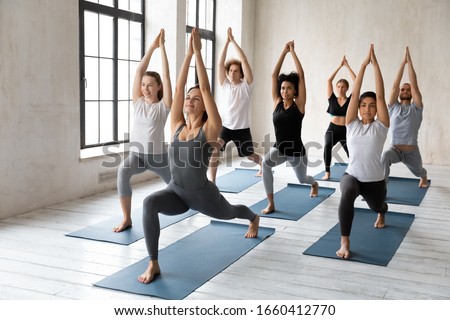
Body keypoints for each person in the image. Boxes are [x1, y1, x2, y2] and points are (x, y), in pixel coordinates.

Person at [138, 28, 260, 284]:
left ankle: (253, 218)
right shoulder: (177, 125)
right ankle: (154, 263)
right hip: (176, 193)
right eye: (188, 99)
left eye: (196, 99)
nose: (190, 100)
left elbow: (204, 87)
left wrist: (198, 55)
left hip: (203, 196)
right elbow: (181, 87)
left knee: (231, 212)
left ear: (205, 105)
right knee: (149, 203)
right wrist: (187, 54)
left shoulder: (210, 128)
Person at [113, 29, 172, 233]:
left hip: (159, 158)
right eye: (144, 85)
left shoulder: (163, 107)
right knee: (122, 171)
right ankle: (127, 218)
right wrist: (152, 48)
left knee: (178, 186)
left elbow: (166, 74)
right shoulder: (137, 103)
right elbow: (139, 72)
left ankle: (190, 202)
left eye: (150, 85)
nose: (145, 88)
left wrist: (163, 49)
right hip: (137, 155)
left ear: (158, 87)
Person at [336, 44, 390, 260]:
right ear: (358, 108)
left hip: (375, 180)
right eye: (363, 105)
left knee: (379, 205)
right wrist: (361, 66)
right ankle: (345, 241)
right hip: (353, 175)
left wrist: (375, 66)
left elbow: (382, 96)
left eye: (372, 105)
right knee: (347, 191)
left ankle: (382, 213)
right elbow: (355, 92)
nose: (367, 108)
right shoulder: (352, 123)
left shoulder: (381, 126)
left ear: (377, 109)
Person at [261, 41, 319, 214]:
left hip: (296, 152)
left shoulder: (299, 105)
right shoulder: (277, 103)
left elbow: (301, 75)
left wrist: (292, 52)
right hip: (279, 149)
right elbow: (273, 75)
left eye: (289, 88)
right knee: (265, 164)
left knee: (302, 179)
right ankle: (271, 203)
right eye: (283, 88)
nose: (285, 91)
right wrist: (283, 52)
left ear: (295, 91)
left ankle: (314, 183)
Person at [209, 27, 262, 183]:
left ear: (241, 74)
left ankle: (263, 166)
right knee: (215, 149)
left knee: (249, 155)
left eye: (236, 71)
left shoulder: (246, 87)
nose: (232, 73)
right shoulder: (225, 85)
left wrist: (233, 42)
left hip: (242, 128)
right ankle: (212, 181)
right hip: (225, 127)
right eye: (230, 70)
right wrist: (225, 44)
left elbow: (244, 61)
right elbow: (220, 65)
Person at [381, 47, 428, 188]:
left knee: (419, 171)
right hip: (394, 150)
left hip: (411, 152)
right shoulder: (393, 107)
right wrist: (402, 64)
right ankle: (382, 188)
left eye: (408, 90)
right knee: (385, 156)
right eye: (403, 89)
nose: (405, 91)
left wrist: (410, 63)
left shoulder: (416, 108)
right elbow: (395, 85)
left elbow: (415, 86)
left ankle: (424, 177)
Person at [322, 56, 356, 180]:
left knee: (351, 152)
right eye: (338, 86)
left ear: (347, 88)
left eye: (343, 87)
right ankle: (327, 172)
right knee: (327, 146)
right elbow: (328, 80)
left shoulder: (351, 100)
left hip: (346, 130)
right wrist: (339, 66)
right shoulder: (332, 99)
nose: (340, 89)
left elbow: (356, 80)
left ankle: (354, 171)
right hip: (332, 129)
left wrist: (347, 66)